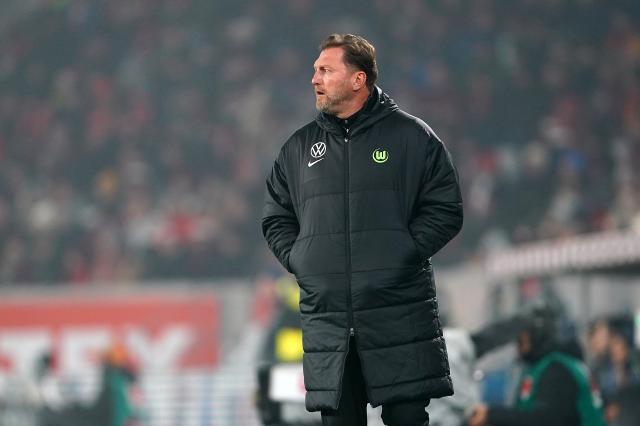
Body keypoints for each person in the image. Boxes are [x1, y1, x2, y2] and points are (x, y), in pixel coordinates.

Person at [262, 33, 463, 426]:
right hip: (330, 323)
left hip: (398, 313)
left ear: (358, 79)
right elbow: (275, 216)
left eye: (325, 70)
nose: (314, 79)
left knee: (407, 420)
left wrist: (402, 252)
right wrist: (302, 259)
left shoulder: (412, 137)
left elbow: (445, 207)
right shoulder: (298, 148)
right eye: (315, 71)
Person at [467, 308, 606, 426]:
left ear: (538, 334)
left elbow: (545, 420)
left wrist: (491, 415)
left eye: (525, 333)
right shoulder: (549, 365)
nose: (518, 338)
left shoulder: (557, 369)